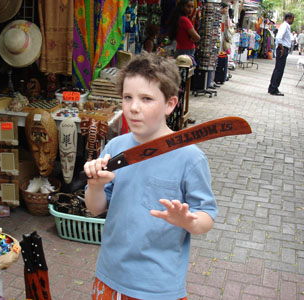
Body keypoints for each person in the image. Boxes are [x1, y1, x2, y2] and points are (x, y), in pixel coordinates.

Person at [83, 53, 217, 300]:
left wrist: (189, 221)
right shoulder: (115, 146)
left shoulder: (190, 158)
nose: (134, 107)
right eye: (127, 97)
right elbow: (95, 209)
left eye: (146, 99)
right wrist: (95, 186)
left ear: (170, 104)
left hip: (158, 287)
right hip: (109, 276)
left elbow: (206, 216)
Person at [268, 12, 295, 96]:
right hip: (282, 49)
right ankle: (274, 88)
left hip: (283, 48)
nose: (293, 20)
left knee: (278, 69)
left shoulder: (286, 26)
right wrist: (282, 48)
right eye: (292, 19)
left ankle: (272, 87)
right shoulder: (284, 26)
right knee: (279, 69)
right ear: (288, 18)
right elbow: (279, 37)